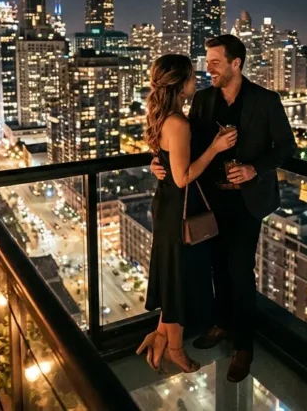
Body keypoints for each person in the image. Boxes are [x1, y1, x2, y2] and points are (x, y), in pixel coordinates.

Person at [151, 34, 296, 382]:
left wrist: (253, 169)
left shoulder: (265, 100)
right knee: (215, 268)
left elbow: (287, 147)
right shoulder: (202, 100)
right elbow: (182, 142)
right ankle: (221, 323)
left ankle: (243, 345)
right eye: (206, 61)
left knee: (240, 272)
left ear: (236, 64)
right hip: (209, 203)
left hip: (246, 204)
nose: (208, 68)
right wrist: (159, 160)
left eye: (215, 62)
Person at [135, 54, 237, 375]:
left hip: (167, 206)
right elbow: (182, 177)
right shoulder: (177, 123)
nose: (198, 80)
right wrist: (215, 149)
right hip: (178, 210)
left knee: (172, 275)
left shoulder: (165, 115)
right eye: (193, 76)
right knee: (178, 279)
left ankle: (159, 337)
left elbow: (166, 163)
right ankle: (175, 350)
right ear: (180, 84)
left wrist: (159, 164)